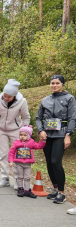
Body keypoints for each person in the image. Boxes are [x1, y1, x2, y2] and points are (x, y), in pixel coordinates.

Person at [35, 75, 76, 207]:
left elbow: (73, 118)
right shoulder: (45, 100)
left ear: (62, 84)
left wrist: (68, 134)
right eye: (52, 83)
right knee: (48, 162)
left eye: (57, 83)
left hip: (61, 134)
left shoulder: (69, 98)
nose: (54, 85)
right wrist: (40, 130)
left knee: (55, 162)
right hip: (47, 135)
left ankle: (62, 192)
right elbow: (38, 117)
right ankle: (55, 187)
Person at [0, 79, 30, 189]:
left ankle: (17, 179)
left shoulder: (22, 101)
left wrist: (25, 132)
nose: (6, 98)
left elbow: (26, 117)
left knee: (17, 154)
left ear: (15, 95)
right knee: (3, 154)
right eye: (5, 95)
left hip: (16, 130)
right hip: (1, 129)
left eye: (9, 97)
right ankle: (5, 178)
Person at [8, 125, 46, 198]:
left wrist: (43, 141)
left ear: (29, 136)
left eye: (25, 135)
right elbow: (11, 152)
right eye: (21, 135)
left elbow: (38, 146)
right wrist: (10, 161)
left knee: (27, 177)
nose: (22, 136)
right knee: (20, 176)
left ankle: (27, 190)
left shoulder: (31, 142)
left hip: (28, 163)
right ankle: (20, 188)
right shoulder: (16, 142)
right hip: (19, 163)